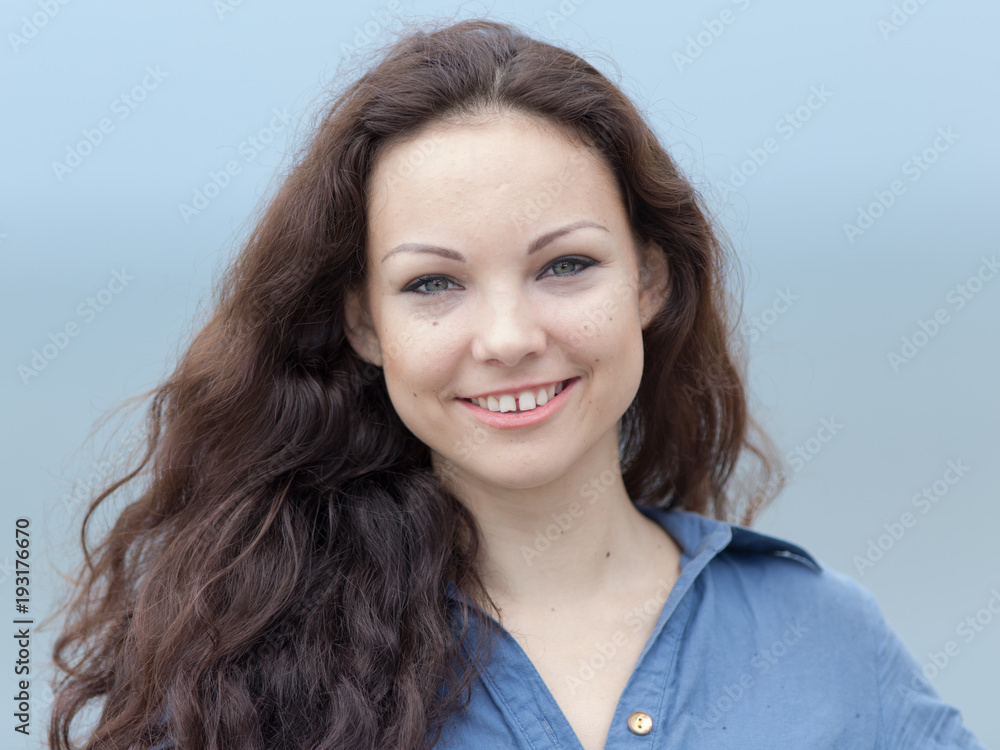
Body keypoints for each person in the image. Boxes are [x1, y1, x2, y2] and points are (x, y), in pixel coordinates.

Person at [48, 17, 987, 750]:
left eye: (565, 266)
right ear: (365, 324)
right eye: (434, 284)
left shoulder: (825, 642)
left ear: (650, 278)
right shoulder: (235, 675)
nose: (507, 338)